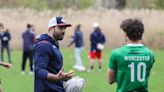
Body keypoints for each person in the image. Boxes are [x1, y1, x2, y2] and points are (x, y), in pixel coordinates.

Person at [107, 19, 155, 92]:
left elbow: (110, 80)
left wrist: (123, 76)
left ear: (126, 34)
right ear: (141, 34)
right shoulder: (150, 54)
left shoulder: (116, 53)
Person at [34, 16, 74, 92]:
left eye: (64, 28)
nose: (63, 31)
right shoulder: (44, 45)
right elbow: (39, 70)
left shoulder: (53, 45)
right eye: (60, 28)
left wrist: (63, 77)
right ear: (51, 28)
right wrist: (57, 77)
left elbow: (53, 70)